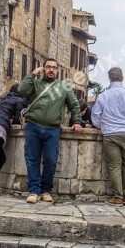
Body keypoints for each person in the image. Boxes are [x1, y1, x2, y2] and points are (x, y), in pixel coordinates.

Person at [18, 58, 82, 204]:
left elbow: (74, 105)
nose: (51, 70)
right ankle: (34, 190)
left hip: (52, 129)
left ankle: (46, 190)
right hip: (33, 126)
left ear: (58, 70)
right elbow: (21, 90)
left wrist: (77, 121)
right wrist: (32, 75)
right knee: (32, 159)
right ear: (43, 69)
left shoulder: (64, 87)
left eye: (54, 67)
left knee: (51, 160)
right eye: (48, 67)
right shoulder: (35, 83)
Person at [91, 67, 125, 206]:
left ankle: (118, 197)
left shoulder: (104, 96)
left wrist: (103, 126)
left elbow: (95, 117)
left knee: (115, 166)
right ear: (122, 79)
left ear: (109, 79)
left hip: (111, 134)